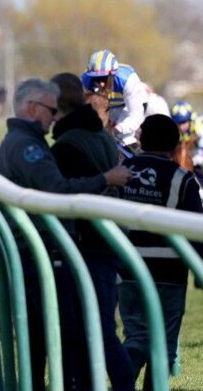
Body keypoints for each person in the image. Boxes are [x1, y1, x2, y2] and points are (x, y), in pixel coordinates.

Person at [0, 77, 132, 391]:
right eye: (49, 110)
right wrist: (106, 178)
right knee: (69, 334)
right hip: (43, 252)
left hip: (44, 250)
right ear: (32, 108)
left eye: (57, 110)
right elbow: (57, 191)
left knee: (52, 337)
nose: (54, 118)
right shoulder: (27, 146)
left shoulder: (24, 141)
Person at [49, 73, 135, 390]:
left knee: (93, 328)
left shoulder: (69, 144)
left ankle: (121, 384)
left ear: (57, 106)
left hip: (88, 247)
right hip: (106, 241)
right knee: (96, 326)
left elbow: (62, 193)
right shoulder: (99, 135)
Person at [117, 114, 203, 390]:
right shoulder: (183, 179)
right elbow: (195, 228)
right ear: (175, 144)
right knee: (163, 346)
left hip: (127, 269)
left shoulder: (121, 170)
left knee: (136, 338)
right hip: (170, 273)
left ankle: (122, 382)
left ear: (141, 140)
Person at [81, 49, 149, 150]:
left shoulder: (128, 80)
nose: (101, 84)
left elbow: (136, 114)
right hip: (108, 107)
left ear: (113, 75)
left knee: (125, 138)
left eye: (104, 78)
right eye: (97, 79)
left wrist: (118, 130)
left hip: (129, 106)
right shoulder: (85, 81)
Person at [170, 100, 203, 168]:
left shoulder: (198, 122)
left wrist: (199, 156)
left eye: (184, 122)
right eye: (180, 123)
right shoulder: (173, 129)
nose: (182, 126)